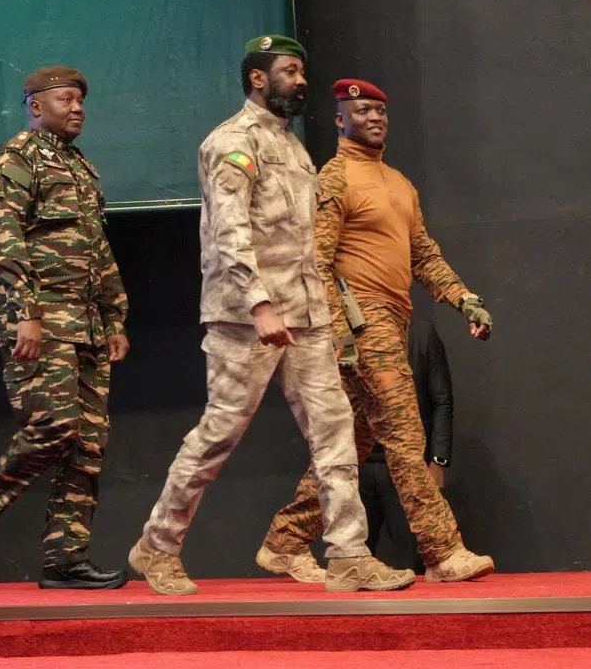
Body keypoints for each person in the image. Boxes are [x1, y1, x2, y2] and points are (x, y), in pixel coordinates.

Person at [128, 37, 414, 595]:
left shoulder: (294, 148)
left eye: (302, 70)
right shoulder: (231, 142)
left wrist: (321, 311)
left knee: (335, 430)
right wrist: (259, 303)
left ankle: (349, 555)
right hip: (245, 319)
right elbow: (230, 231)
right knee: (220, 431)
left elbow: (305, 243)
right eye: (289, 70)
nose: (301, 80)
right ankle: (157, 546)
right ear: (258, 78)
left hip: (306, 317)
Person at [259, 78, 493, 583]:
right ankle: (443, 552)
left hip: (391, 320)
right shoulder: (334, 178)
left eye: (380, 111)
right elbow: (316, 263)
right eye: (362, 110)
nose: (374, 118)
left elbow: (424, 254)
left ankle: (284, 541)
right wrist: (339, 333)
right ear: (339, 120)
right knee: (406, 434)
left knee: (349, 445)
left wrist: (465, 299)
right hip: (362, 323)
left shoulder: (399, 183)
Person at [0, 66, 131, 590]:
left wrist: (114, 316)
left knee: (87, 445)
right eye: (65, 99)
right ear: (35, 106)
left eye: (81, 100)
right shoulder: (17, 157)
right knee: (55, 425)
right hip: (41, 319)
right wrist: (25, 312)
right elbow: (4, 239)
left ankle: (65, 560)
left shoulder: (79, 166)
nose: (78, 108)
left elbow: (98, 249)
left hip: (86, 323)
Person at [361, 316, 453, 570]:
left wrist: (438, 460)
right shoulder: (345, 330)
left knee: (412, 558)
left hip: (408, 464)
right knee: (351, 557)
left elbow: (442, 400)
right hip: (356, 462)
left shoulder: (421, 332)